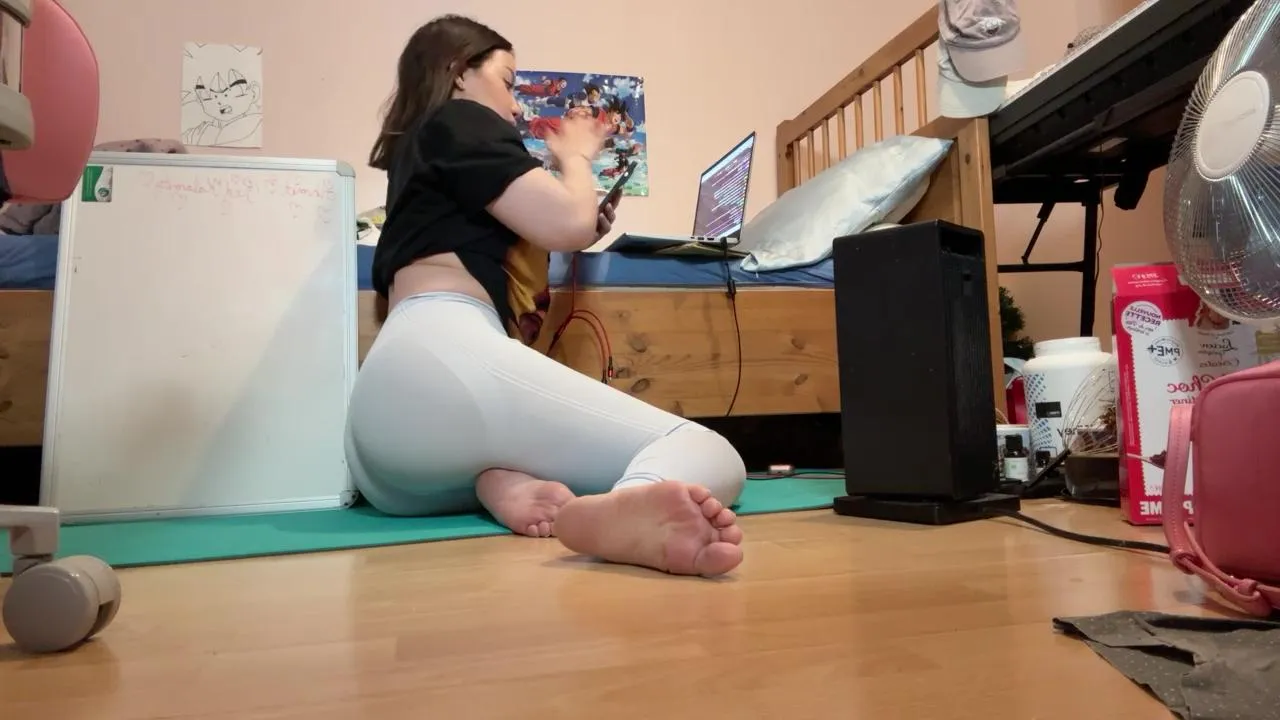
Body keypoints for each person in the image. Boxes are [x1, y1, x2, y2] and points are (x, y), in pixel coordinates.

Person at [347, 15, 747, 577]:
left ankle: (494, 482)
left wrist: (579, 220)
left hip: (385, 454)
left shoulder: (416, 158)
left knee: (488, 456)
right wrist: (576, 157)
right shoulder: (461, 117)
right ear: (459, 71)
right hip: (446, 358)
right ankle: (629, 506)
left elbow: (556, 226)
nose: (514, 107)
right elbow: (564, 223)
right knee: (709, 452)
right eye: (509, 82)